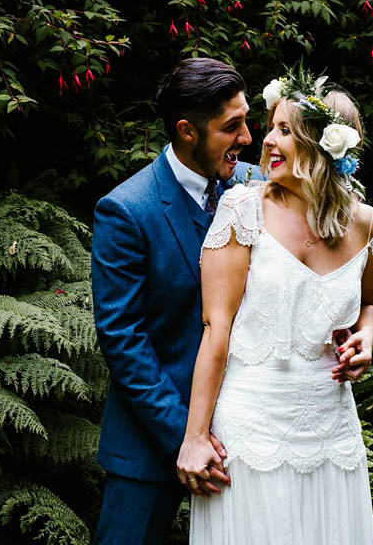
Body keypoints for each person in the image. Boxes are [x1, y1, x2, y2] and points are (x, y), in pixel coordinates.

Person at [176, 70, 373, 544]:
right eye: (271, 127)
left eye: (285, 130)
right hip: (251, 429)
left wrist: (366, 338)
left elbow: (368, 305)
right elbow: (216, 330)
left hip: (331, 429)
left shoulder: (371, 225)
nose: (266, 141)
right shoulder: (242, 211)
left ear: (324, 146)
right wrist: (194, 437)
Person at [91, 57, 256, 545]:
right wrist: (188, 435)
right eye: (232, 127)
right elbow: (124, 341)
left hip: (247, 434)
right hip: (150, 442)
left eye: (246, 120)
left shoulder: (257, 187)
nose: (247, 138)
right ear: (187, 130)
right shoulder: (127, 210)